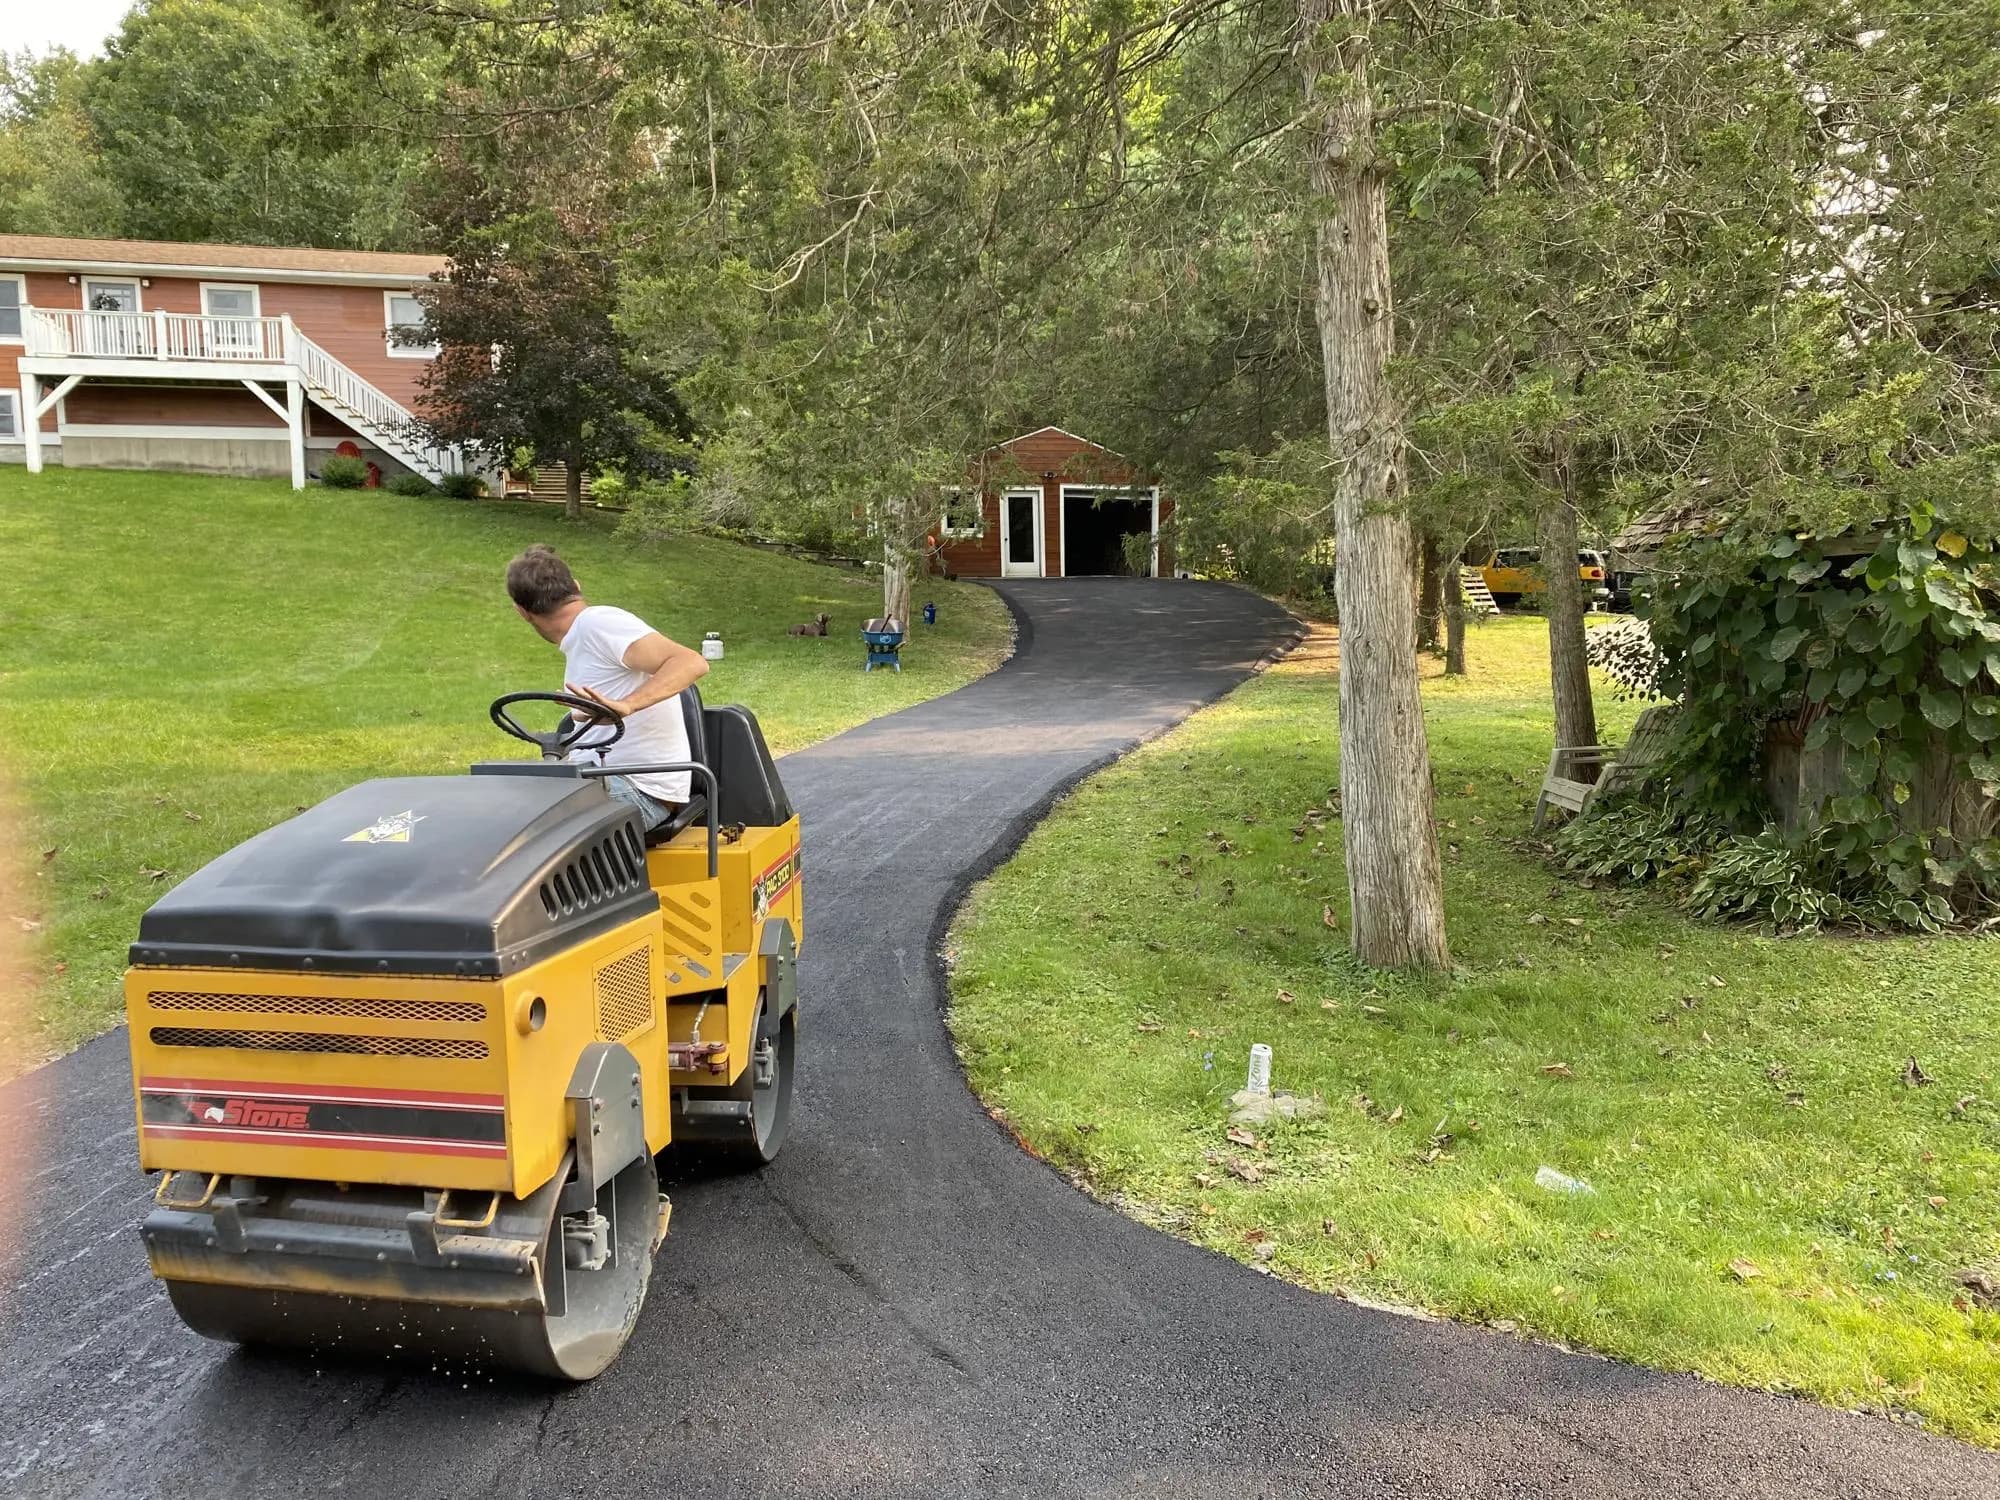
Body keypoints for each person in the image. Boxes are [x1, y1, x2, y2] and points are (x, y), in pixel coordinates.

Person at [504, 544, 709, 832]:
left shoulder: (598, 624)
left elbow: (690, 662)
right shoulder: (581, 640)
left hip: (640, 792)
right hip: (602, 780)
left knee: (515, 816)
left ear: (522, 612)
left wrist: (629, 705)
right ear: (576, 586)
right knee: (504, 792)